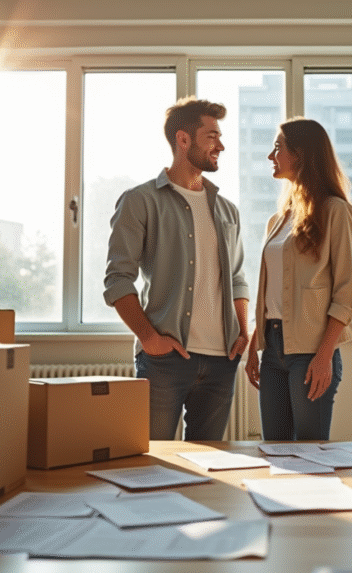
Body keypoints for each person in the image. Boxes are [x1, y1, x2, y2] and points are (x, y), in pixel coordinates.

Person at [104, 96, 249, 441]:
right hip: (164, 360)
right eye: (212, 136)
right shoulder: (139, 201)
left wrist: (243, 332)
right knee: (153, 459)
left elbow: (237, 279)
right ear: (183, 139)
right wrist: (149, 338)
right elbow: (118, 279)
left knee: (208, 463)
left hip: (221, 362)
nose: (221, 146)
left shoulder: (227, 210)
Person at [245, 117, 352, 441]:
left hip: (312, 351)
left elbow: (346, 293)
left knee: (310, 453)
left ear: (301, 154)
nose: (271, 156)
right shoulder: (277, 220)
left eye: (278, 148)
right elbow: (269, 293)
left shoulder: (336, 211)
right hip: (272, 350)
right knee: (276, 450)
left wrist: (324, 356)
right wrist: (255, 346)